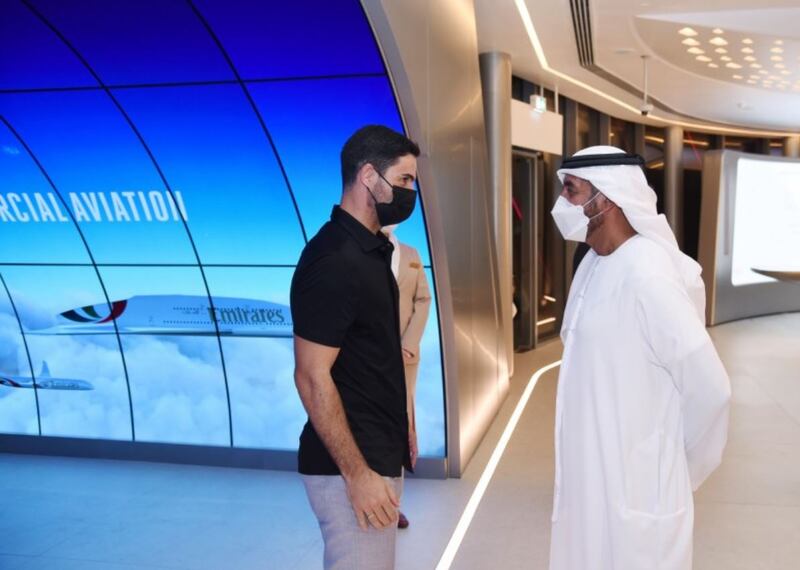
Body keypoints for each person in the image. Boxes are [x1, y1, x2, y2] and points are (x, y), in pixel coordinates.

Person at [548, 146, 731, 570]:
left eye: (572, 191)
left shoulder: (649, 274)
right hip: (589, 482)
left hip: (638, 490)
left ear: (606, 197)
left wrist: (671, 467)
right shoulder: (592, 263)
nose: (564, 204)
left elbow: (711, 390)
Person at [291, 125, 420, 569]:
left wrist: (403, 424)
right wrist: (358, 474)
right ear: (369, 176)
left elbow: (372, 357)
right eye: (404, 180)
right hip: (349, 469)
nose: (410, 192)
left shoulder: (370, 251)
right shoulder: (334, 260)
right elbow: (311, 375)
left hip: (374, 453)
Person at [381, 224, 432, 529]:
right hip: (370, 357)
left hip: (404, 357)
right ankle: (376, 496)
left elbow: (423, 301)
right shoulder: (362, 252)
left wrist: (409, 343)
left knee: (403, 425)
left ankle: (394, 502)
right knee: (376, 425)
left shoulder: (412, 255)